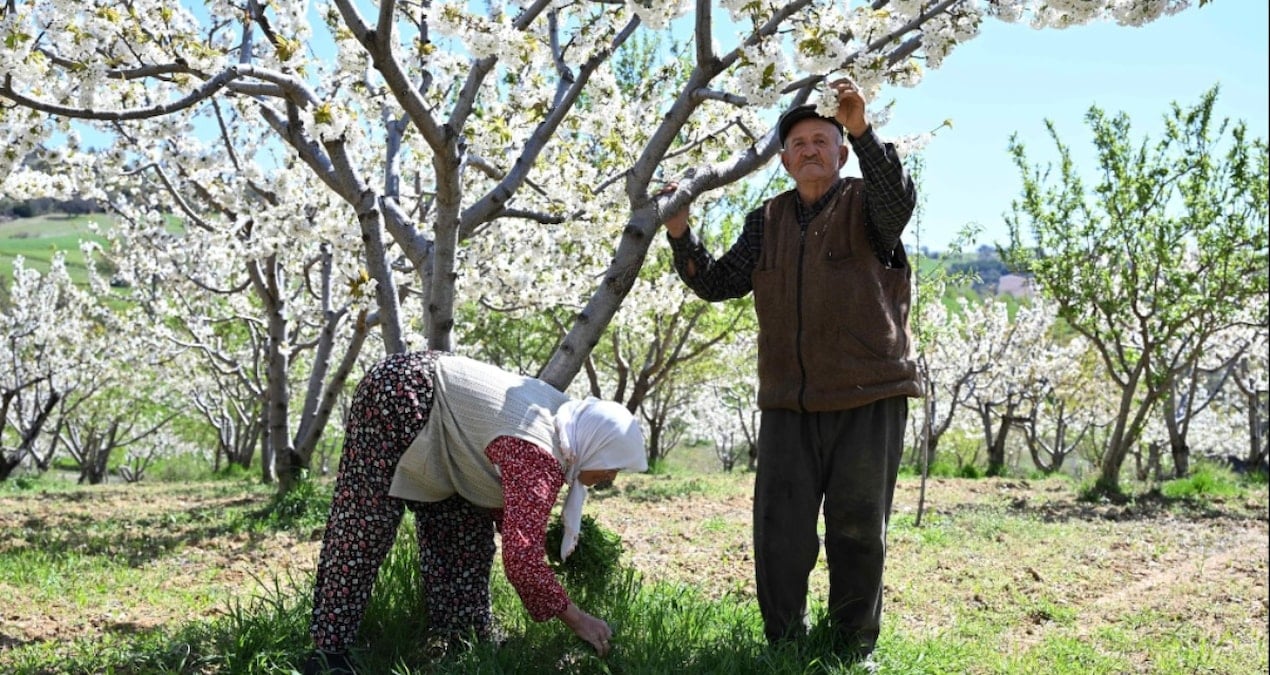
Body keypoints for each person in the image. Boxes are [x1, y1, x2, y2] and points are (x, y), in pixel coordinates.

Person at [660, 78, 920, 665]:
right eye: (797, 142)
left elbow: (899, 198)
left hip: (867, 394)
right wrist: (681, 234)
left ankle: (851, 648)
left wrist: (862, 126)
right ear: (782, 159)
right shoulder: (767, 220)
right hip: (788, 402)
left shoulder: (867, 206)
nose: (809, 150)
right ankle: (784, 646)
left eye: (821, 140)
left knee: (857, 528)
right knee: (780, 531)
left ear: (840, 151)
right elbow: (719, 282)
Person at [303, 350, 647, 674]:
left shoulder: (572, 423)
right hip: (403, 394)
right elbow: (522, 562)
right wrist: (578, 619)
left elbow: (511, 512)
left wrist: (535, 536)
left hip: (452, 427)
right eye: (611, 464)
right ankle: (328, 650)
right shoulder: (539, 455)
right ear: (595, 446)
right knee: (365, 528)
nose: (611, 476)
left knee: (464, 530)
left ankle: (460, 635)